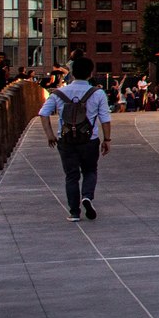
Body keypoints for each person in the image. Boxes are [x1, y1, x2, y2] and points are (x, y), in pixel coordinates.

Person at [38, 56, 112, 222]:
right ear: (90, 73)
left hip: (66, 140)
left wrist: (50, 135)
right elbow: (105, 118)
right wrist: (107, 139)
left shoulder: (59, 93)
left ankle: (74, 212)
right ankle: (87, 196)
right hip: (89, 139)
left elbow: (43, 113)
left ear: (71, 72)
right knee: (90, 170)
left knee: (71, 176)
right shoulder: (98, 93)